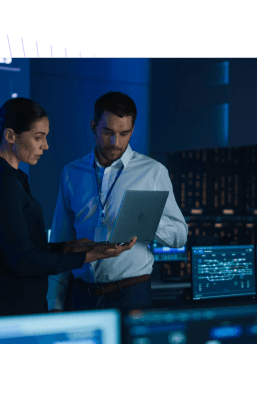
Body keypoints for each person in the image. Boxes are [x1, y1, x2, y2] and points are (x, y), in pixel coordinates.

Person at [0, 97, 136, 318]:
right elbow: (23, 260)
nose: (45, 146)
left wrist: (69, 247)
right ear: (10, 135)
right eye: (38, 137)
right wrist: (87, 257)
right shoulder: (2, 182)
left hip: (18, 302)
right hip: (14, 308)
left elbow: (22, 248)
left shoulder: (7, 177)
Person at [48, 91, 188, 312]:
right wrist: (54, 303)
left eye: (125, 133)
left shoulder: (153, 172)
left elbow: (180, 235)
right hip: (82, 296)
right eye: (108, 132)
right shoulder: (71, 173)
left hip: (132, 294)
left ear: (132, 130)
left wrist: (145, 221)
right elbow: (61, 240)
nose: (116, 142)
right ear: (93, 126)